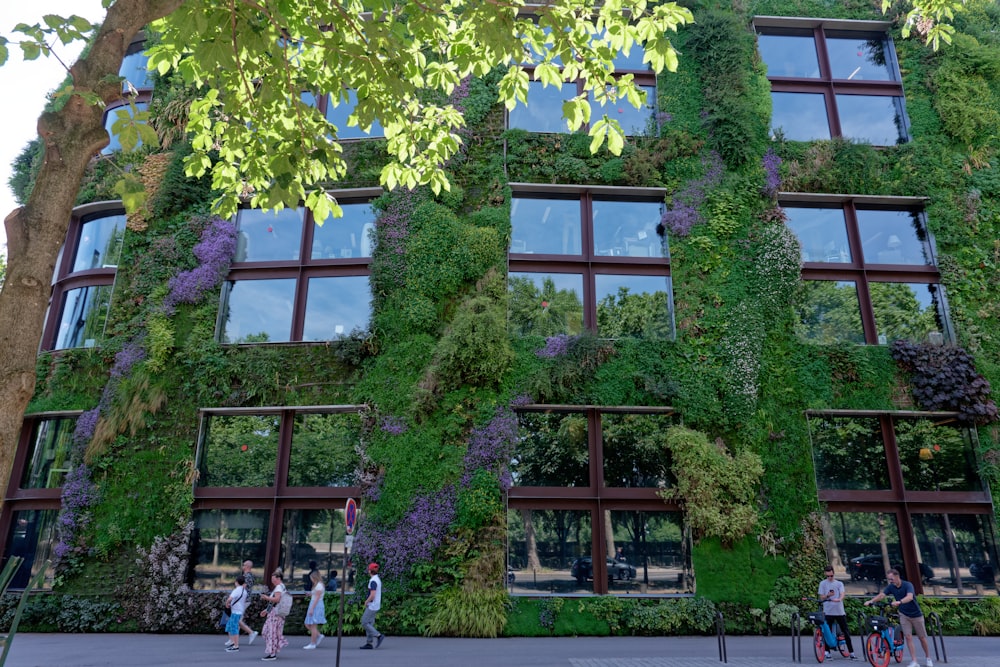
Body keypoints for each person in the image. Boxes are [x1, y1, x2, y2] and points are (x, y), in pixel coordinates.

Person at [865, 568, 932, 667]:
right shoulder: (891, 587)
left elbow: (909, 597)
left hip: (916, 614)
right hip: (904, 614)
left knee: (921, 637)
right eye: (889, 579)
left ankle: (928, 658)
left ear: (897, 576)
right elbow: (882, 595)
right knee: (908, 637)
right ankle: (914, 661)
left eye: (891, 579)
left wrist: (899, 602)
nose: (890, 581)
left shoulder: (907, 585)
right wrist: (871, 601)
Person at [818, 565, 857, 661]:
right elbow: (821, 597)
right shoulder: (823, 583)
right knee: (827, 632)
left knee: (845, 631)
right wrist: (828, 595)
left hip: (839, 611)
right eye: (828, 576)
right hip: (828, 611)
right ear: (825, 575)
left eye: (831, 575)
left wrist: (839, 599)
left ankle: (851, 652)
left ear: (833, 573)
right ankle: (827, 652)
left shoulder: (839, 584)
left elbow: (842, 594)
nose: (829, 578)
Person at [259, 569, 290, 661]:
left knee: (269, 632)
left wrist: (266, 597)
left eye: (274, 579)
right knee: (273, 632)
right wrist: (266, 610)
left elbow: (276, 600)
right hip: (278, 612)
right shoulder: (282, 587)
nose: (272, 581)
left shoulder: (279, 588)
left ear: (279, 578)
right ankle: (273, 651)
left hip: (275, 614)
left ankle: (272, 653)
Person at [360, 562, 385, 650]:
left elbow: (372, 594)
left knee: (364, 622)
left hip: (372, 605)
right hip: (376, 605)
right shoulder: (377, 579)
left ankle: (378, 635)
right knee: (369, 623)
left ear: (369, 571)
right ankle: (369, 643)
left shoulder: (373, 581)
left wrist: (366, 601)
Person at [303, 570, 327, 649]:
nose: (311, 580)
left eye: (311, 578)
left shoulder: (319, 586)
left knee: (312, 625)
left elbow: (317, 598)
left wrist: (312, 609)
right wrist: (310, 594)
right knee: (308, 624)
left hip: (316, 605)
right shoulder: (317, 585)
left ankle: (313, 643)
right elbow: (316, 596)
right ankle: (319, 636)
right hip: (314, 604)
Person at [224, 575, 248, 652]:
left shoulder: (236, 590)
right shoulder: (244, 591)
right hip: (239, 610)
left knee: (234, 628)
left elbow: (230, 599)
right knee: (230, 625)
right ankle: (233, 642)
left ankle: (235, 645)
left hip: (235, 611)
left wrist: (227, 603)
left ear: (236, 582)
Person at [238, 560, 259, 646]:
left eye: (243, 565)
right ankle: (233, 639)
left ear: (247, 566)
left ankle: (251, 632)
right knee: (238, 619)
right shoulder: (249, 576)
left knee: (237, 619)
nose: (242, 567)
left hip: (243, 600)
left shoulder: (246, 576)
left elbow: (242, 588)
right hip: (245, 600)